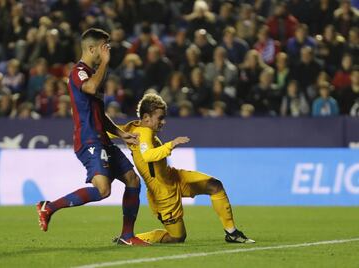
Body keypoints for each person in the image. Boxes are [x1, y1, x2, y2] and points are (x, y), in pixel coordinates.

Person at [36, 28, 148, 246]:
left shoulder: (95, 74)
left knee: (132, 180)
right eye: (104, 47)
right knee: (103, 190)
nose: (107, 51)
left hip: (102, 139)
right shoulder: (79, 71)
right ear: (91, 48)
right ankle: (48, 207)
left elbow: (101, 115)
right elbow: (90, 86)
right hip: (89, 140)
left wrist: (121, 134)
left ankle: (127, 236)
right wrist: (105, 63)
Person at [111, 93, 254, 244]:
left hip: (173, 177)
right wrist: (170, 145)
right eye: (160, 118)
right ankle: (132, 238)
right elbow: (148, 155)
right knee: (177, 237)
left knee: (214, 185)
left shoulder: (133, 126)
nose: (164, 122)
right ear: (146, 117)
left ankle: (232, 233)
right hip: (163, 192)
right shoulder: (144, 133)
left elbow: (110, 129)